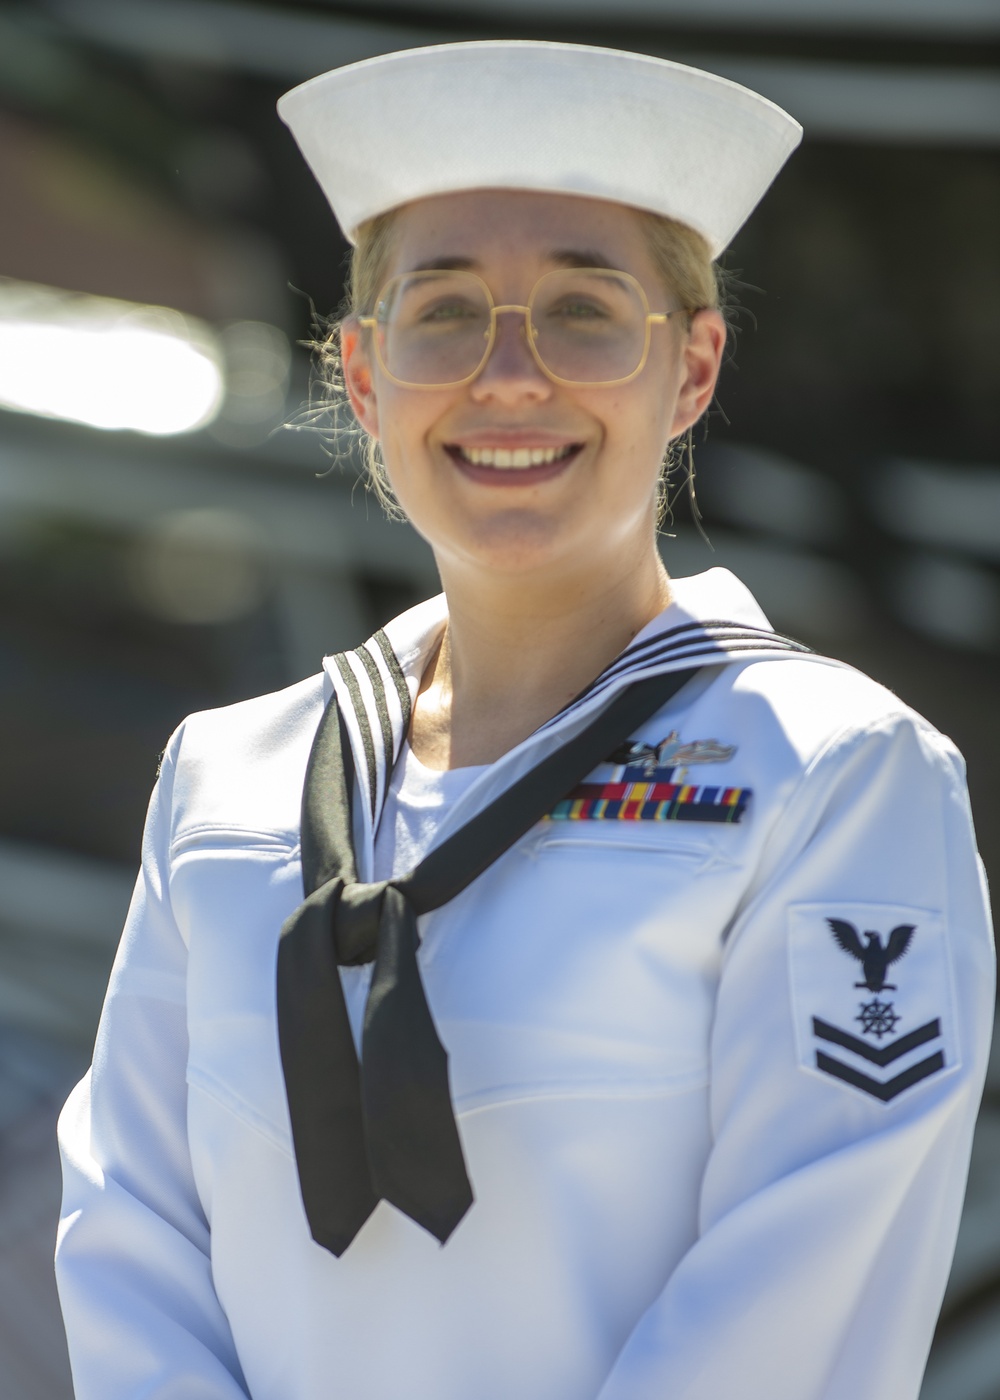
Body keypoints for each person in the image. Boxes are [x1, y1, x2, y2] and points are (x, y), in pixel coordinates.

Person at [55, 39, 993, 1400]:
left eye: (584, 309)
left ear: (694, 370)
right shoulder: (229, 782)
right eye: (444, 312)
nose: (509, 375)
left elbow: (796, 1304)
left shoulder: (834, 777)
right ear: (365, 378)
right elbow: (131, 1240)